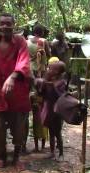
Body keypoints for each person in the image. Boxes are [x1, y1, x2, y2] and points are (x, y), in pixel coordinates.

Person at [0, 13, 31, 169]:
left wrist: (12, 77)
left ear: (13, 25)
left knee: (19, 128)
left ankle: (17, 156)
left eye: (8, 23)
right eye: (2, 23)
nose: (5, 26)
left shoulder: (20, 41)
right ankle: (0, 156)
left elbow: (24, 62)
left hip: (18, 93)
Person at [26, 24, 51, 153]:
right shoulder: (43, 41)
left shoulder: (26, 41)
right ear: (41, 33)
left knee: (32, 89)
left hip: (30, 68)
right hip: (39, 69)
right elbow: (49, 54)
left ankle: (32, 99)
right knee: (40, 88)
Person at [36, 60, 66, 160]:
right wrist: (43, 83)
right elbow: (41, 93)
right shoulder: (48, 81)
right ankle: (52, 152)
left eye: (50, 68)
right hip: (48, 110)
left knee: (57, 133)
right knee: (51, 133)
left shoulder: (61, 83)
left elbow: (61, 96)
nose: (48, 70)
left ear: (57, 72)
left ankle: (61, 154)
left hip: (57, 112)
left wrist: (52, 86)